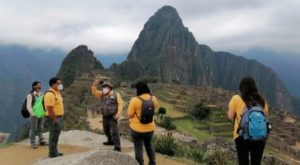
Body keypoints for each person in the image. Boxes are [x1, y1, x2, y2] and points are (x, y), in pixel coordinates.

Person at [227, 77, 269, 165]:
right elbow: (265, 115)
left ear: (241, 87)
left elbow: (230, 116)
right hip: (259, 136)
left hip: (241, 135)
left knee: (243, 162)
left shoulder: (236, 98)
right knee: (256, 162)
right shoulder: (262, 101)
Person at [127, 81, 158, 165]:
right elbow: (154, 109)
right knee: (149, 145)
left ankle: (140, 163)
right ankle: (152, 162)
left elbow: (129, 115)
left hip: (137, 130)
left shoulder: (134, 100)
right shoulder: (154, 98)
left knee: (138, 148)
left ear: (138, 90)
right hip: (150, 129)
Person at [91, 78, 123, 152]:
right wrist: (94, 85)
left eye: (106, 87)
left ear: (110, 88)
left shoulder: (116, 94)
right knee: (106, 130)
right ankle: (110, 140)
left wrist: (118, 114)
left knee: (115, 131)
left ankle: (117, 146)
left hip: (112, 116)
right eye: (104, 87)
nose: (104, 88)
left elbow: (120, 104)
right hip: (105, 116)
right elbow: (94, 92)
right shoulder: (102, 94)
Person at [44, 77, 64, 158]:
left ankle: (54, 151)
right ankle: (52, 154)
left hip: (58, 117)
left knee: (55, 135)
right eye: (58, 84)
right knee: (53, 136)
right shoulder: (50, 94)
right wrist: (54, 120)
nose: (60, 85)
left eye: (60, 83)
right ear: (53, 84)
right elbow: (49, 109)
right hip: (52, 118)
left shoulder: (57, 92)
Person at [27, 81, 46, 149]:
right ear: (33, 86)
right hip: (34, 115)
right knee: (33, 128)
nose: (39, 87)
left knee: (40, 127)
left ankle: (41, 140)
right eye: (38, 86)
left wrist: (44, 111)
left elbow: (44, 103)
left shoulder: (42, 94)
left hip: (41, 113)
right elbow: (28, 106)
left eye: (40, 86)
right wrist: (33, 114)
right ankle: (33, 142)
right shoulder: (30, 95)